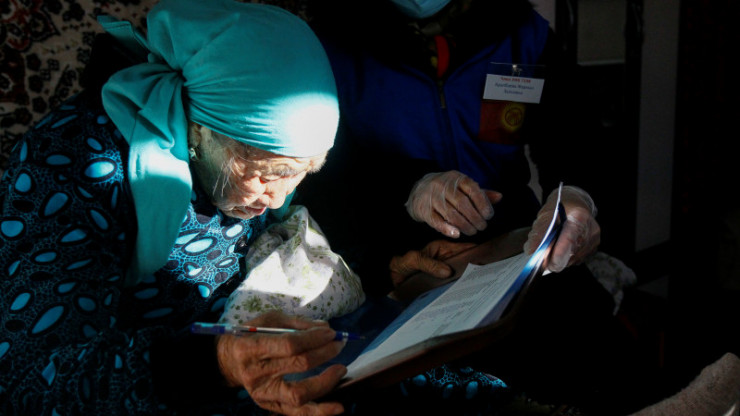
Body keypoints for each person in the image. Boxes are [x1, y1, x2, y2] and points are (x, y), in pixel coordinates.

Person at [294, 0, 666, 414]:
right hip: (403, 263)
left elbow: (573, 136)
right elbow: (315, 179)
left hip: (518, 248)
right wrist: (410, 189)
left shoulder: (521, 34)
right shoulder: (329, 47)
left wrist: (578, 198)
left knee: (610, 371)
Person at [0, 0, 353, 414]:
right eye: (267, 174)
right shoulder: (72, 169)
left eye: (302, 172)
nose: (279, 198)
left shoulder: (253, 161)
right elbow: (33, 374)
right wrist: (216, 364)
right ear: (199, 130)